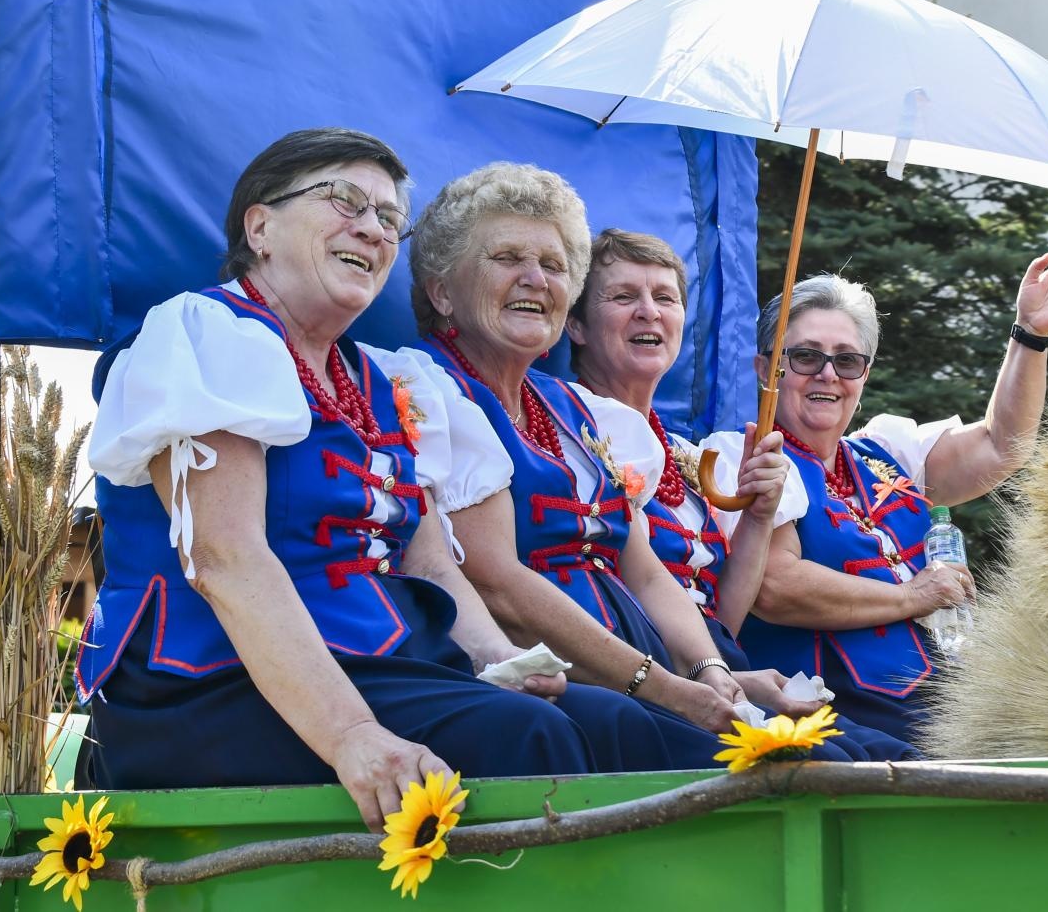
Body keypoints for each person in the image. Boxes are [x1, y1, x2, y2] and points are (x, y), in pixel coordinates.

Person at [77, 129, 708, 830]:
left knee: (625, 726)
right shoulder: (205, 333)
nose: (371, 229)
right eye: (343, 200)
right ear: (260, 226)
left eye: (387, 218)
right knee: (532, 741)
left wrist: (500, 656)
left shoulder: (380, 379)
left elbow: (429, 557)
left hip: (377, 664)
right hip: (208, 684)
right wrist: (351, 736)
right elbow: (227, 559)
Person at [407, 163, 867, 754]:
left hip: (650, 668)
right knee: (796, 769)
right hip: (560, 678)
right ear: (442, 291)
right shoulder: (427, 392)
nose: (534, 279)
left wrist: (712, 674)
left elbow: (645, 569)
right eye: (506, 258)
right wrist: (669, 689)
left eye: (553, 266)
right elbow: (497, 582)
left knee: (852, 753)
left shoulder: (578, 412)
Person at [566, 229, 916, 760]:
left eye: (665, 298)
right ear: (575, 323)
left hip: (717, 669)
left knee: (895, 757)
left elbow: (723, 617)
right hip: (632, 677)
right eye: (623, 297)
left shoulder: (689, 457)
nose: (649, 313)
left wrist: (757, 517)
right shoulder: (568, 432)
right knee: (835, 766)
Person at [715, 260, 1048, 745]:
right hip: (837, 722)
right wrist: (913, 597)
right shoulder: (745, 455)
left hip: (953, 706)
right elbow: (774, 585)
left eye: (847, 361)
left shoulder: (886, 451)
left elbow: (1002, 447)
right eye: (806, 357)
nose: (828, 374)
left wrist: (1031, 334)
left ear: (864, 375)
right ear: (768, 369)